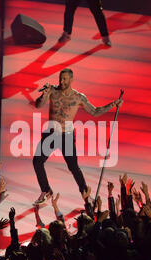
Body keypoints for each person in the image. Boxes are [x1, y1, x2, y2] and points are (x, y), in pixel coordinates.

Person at [33, 68, 123, 204]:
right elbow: (38, 105)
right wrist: (43, 95)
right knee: (37, 161)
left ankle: (85, 193)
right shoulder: (52, 91)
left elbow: (94, 111)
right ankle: (46, 190)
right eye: (60, 78)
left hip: (66, 135)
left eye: (64, 79)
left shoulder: (78, 97)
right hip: (51, 133)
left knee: (73, 167)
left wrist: (112, 104)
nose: (61, 81)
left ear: (71, 80)